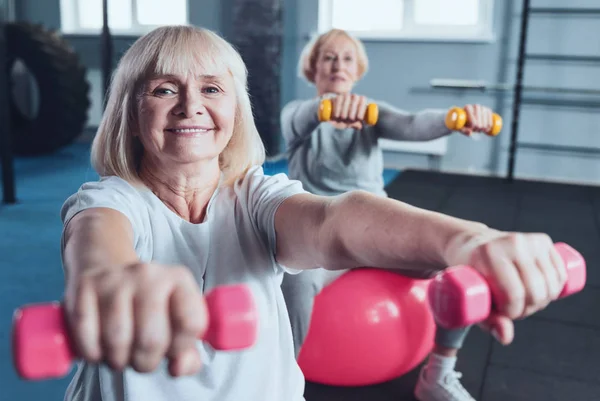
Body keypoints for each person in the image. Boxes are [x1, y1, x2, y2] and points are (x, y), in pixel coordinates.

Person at [59, 25, 566, 401]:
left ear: (234, 111)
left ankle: (442, 366)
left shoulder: (254, 196)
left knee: (436, 265)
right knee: (301, 286)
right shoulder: (111, 202)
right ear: (129, 111)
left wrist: (470, 241)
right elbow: (98, 241)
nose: (190, 104)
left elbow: (333, 220)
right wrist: (112, 278)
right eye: (163, 88)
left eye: (212, 88)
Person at [279, 28, 505, 401]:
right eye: (329, 57)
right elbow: (302, 117)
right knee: (297, 280)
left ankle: (439, 374)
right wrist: (327, 108)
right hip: (322, 237)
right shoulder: (297, 116)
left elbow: (414, 124)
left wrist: (456, 118)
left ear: (358, 70)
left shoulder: (374, 113)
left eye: (347, 58)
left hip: (376, 231)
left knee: (458, 264)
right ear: (313, 68)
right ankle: (281, 382)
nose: (338, 65)